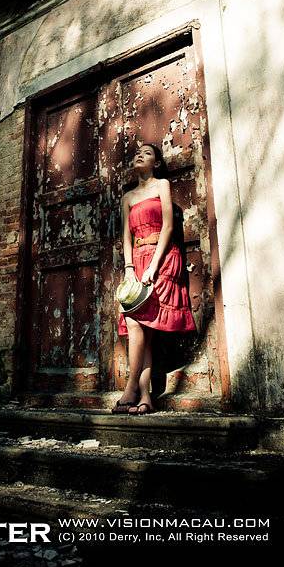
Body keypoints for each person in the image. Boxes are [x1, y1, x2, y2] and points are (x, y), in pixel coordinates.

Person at [111, 143, 197, 415]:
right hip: (137, 261)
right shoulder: (127, 198)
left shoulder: (162, 185)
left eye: (147, 153)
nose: (140, 154)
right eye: (138, 152)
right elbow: (126, 236)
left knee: (142, 325)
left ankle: (131, 389)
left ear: (156, 163)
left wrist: (154, 265)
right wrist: (129, 268)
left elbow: (169, 226)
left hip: (162, 258)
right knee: (138, 325)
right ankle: (146, 396)